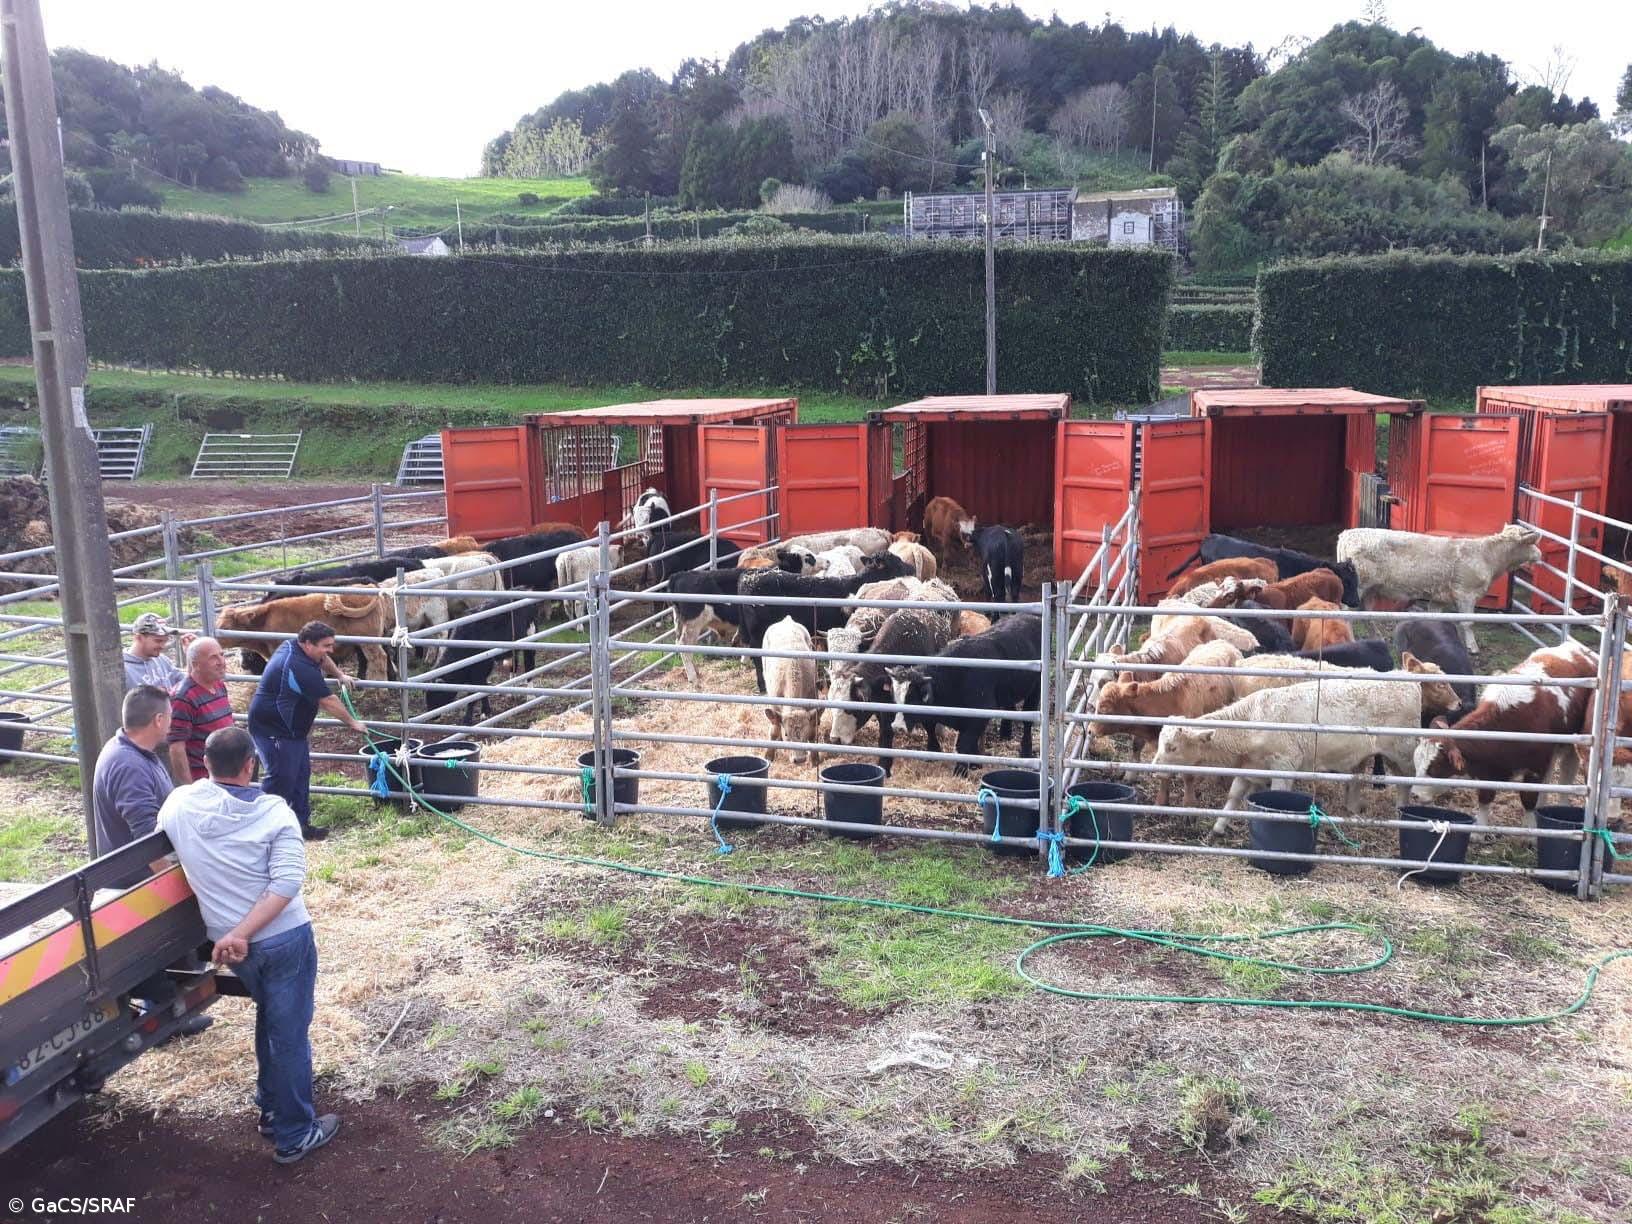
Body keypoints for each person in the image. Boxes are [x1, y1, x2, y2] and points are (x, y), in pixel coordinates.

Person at [158, 726, 339, 1165]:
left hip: (232, 947)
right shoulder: (274, 811)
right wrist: (245, 930)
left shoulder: (180, 803)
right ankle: (294, 1132)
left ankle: (271, 1105)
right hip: (282, 938)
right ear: (250, 765)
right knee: (290, 1032)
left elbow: (163, 853)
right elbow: (287, 882)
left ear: (205, 762)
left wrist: (231, 931)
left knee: (271, 1016)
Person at [246, 620, 365, 842]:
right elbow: (328, 701)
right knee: (281, 778)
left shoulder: (295, 646)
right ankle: (263, 829)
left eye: (332, 644)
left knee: (300, 775)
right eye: (325, 645)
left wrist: (339, 675)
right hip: (274, 729)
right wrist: (353, 722)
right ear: (308, 644)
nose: (331, 650)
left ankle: (300, 825)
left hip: (292, 730)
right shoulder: (297, 666)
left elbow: (324, 658)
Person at [91, 684, 175, 856]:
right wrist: (174, 882)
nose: (172, 723)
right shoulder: (129, 766)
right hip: (140, 880)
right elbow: (147, 840)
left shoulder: (129, 749)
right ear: (158, 720)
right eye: (170, 716)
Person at [168, 636, 233, 785]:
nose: (221, 662)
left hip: (227, 774)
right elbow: (177, 747)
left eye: (222, 655)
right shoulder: (183, 697)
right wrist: (190, 788)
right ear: (196, 664)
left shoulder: (219, 685)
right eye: (213, 658)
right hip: (204, 781)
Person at [122, 612, 194, 693]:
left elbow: (187, 683)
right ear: (139, 638)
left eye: (165, 641)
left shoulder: (162, 659)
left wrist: (191, 655)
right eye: (158, 641)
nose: (163, 646)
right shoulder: (123, 670)